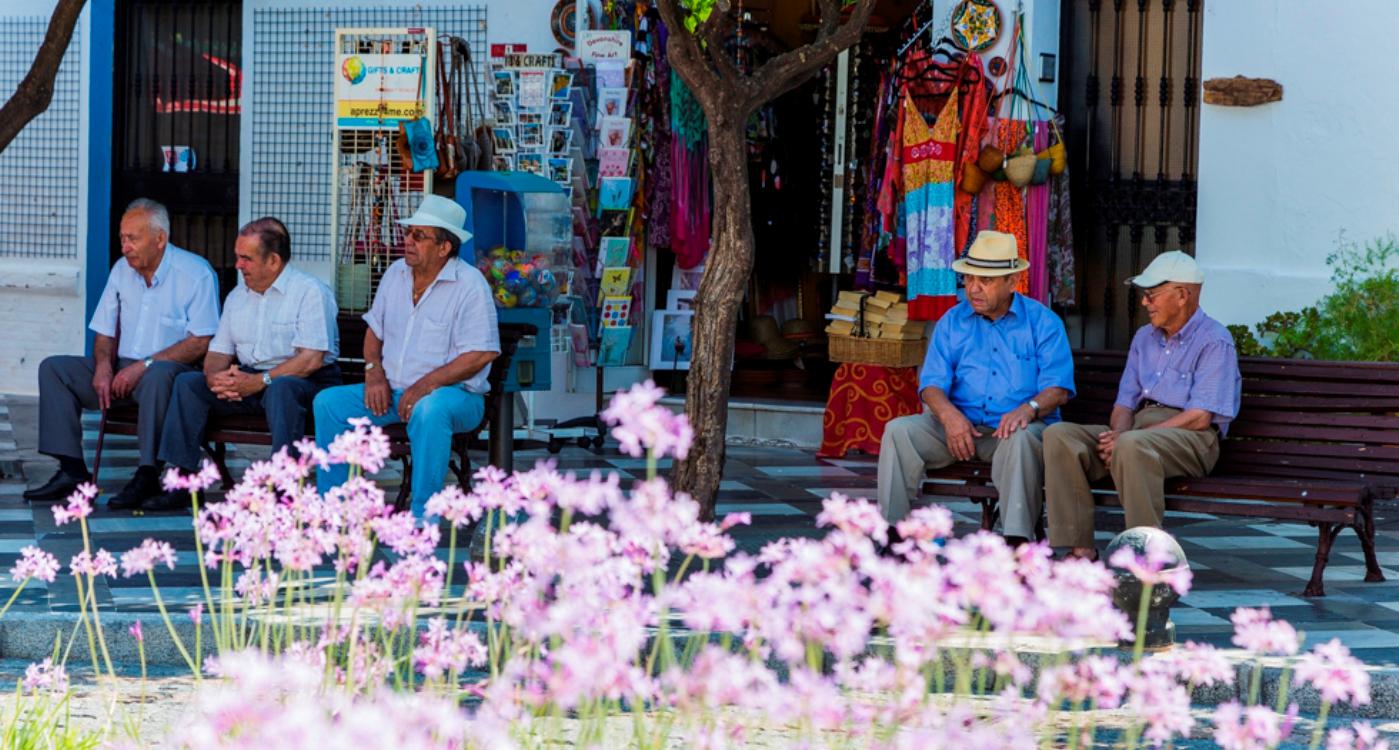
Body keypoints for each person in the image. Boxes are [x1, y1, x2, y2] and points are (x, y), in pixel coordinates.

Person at [877, 230, 1075, 544]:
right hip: (960, 430)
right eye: (969, 279)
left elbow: (1059, 388)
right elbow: (931, 384)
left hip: (1015, 432)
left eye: (985, 280)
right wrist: (949, 417)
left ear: (1012, 281)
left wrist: (1028, 408)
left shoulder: (1043, 323)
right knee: (899, 431)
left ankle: (1016, 543)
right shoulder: (952, 321)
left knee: (1021, 438)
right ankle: (891, 536)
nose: (973, 289)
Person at [1044, 251, 1241, 560]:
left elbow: (1200, 417)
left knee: (1134, 445)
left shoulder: (1215, 340)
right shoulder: (1143, 338)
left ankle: (1147, 558)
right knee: (1059, 436)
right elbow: (1125, 403)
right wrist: (1117, 435)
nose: (1144, 303)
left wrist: (1127, 439)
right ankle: (1080, 552)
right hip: (1138, 430)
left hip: (1191, 438)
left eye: (1151, 295)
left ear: (1181, 295)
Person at [25, 199, 220, 508]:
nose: (125, 246)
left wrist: (143, 365)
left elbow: (201, 340)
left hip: (171, 371)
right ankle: (72, 470)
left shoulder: (195, 274)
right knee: (54, 369)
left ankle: (147, 473)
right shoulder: (121, 270)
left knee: (158, 375)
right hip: (120, 368)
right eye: (122, 238)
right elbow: (104, 331)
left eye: (133, 238)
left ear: (160, 239)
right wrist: (103, 366)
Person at [313, 196, 499, 517]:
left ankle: (423, 516)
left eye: (419, 236)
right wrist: (373, 373)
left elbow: (481, 353)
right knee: (328, 403)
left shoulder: (470, 285)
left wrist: (425, 386)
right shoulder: (396, 273)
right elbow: (374, 331)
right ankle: (334, 508)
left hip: (455, 397)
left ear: (444, 248)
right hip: (395, 394)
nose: (407, 241)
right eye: (408, 233)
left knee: (430, 410)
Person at [147, 218, 341, 512]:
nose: (237, 265)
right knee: (189, 384)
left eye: (245, 258)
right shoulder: (238, 296)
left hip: (306, 383)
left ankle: (283, 487)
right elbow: (218, 352)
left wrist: (259, 381)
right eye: (238, 257)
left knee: (282, 388)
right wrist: (215, 378)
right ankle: (182, 481)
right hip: (253, 382)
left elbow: (310, 359)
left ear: (274, 261)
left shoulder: (310, 291)